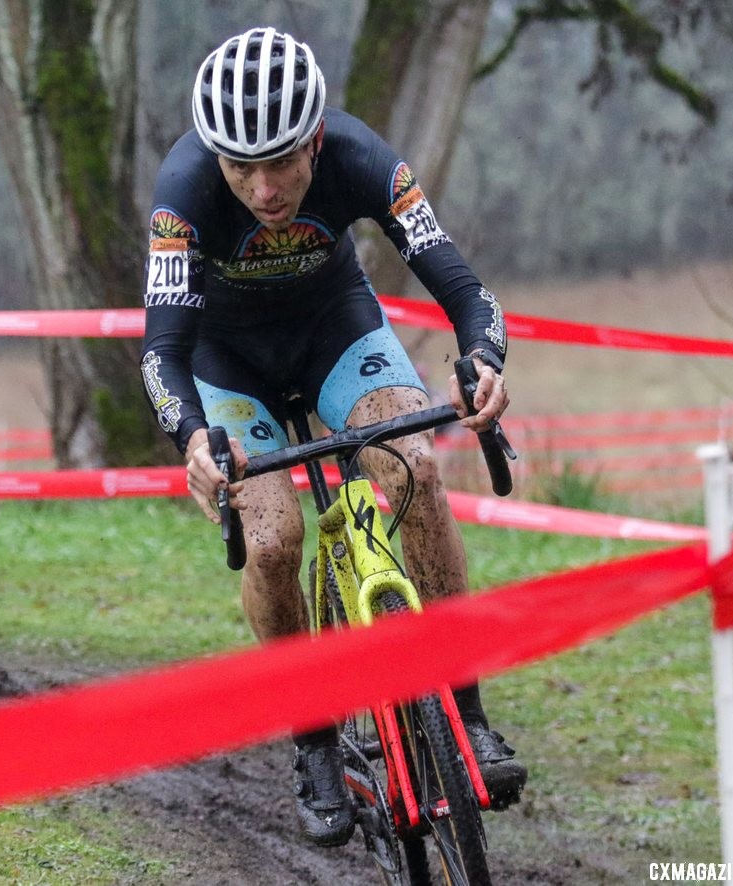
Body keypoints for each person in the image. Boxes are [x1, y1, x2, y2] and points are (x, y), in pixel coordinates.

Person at [138, 26, 526, 847]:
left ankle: (465, 710)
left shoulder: (362, 157)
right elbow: (162, 351)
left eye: (281, 161)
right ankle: (313, 739)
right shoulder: (183, 191)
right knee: (274, 541)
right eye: (242, 167)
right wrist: (194, 439)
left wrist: (483, 359)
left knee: (413, 463)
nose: (265, 187)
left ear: (316, 137)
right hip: (226, 361)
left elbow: (463, 287)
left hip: (334, 330)